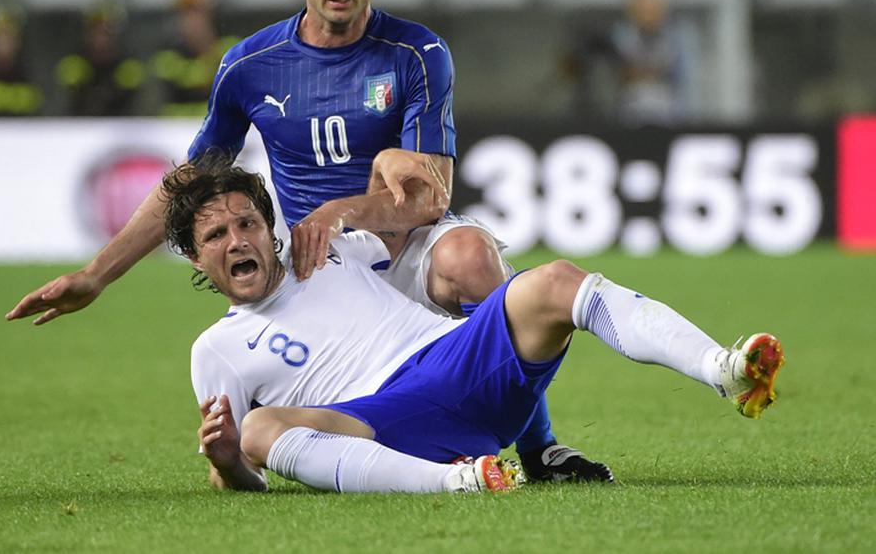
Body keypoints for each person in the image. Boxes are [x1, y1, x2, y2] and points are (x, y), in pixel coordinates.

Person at [7, 0, 605, 482]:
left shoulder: (416, 52)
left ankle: (540, 449)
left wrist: (356, 209)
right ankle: (423, 458)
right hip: (318, 263)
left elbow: (434, 188)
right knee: (293, 413)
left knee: (472, 256)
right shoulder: (249, 65)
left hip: (405, 239)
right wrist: (97, 274)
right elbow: (190, 181)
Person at [161, 158, 784, 494]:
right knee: (261, 428)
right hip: (382, 420)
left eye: (247, 223)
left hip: (457, 358)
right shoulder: (215, 350)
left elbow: (421, 207)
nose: (238, 240)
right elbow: (244, 475)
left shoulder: (329, 251)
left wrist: (388, 167)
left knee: (555, 280)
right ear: (195, 257)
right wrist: (224, 461)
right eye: (216, 234)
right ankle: (457, 481)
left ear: (269, 227)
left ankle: (721, 370)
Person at [149, 0, 240, 117]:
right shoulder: (167, 55)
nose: (194, 20)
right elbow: (179, 91)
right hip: (177, 130)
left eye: (200, 12)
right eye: (188, 13)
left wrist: (207, 46)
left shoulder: (231, 46)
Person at [55, 1, 148, 116]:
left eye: (107, 32)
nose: (101, 39)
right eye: (95, 31)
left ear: (117, 34)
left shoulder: (129, 66)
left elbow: (134, 107)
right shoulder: (74, 63)